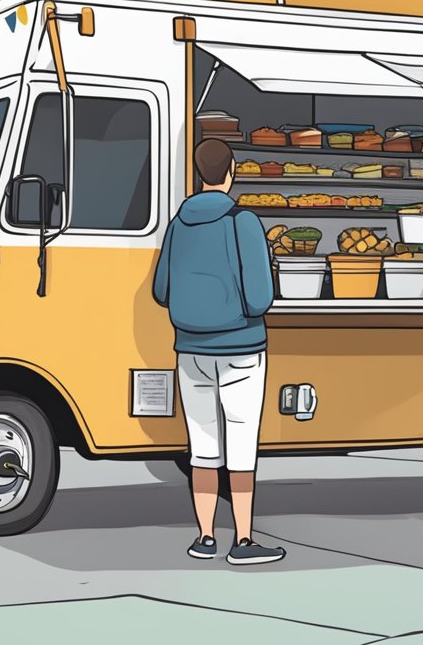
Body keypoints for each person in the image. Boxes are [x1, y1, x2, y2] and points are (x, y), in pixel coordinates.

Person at [152, 139, 285, 566]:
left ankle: (205, 536)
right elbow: (260, 298)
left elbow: (160, 290)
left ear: (198, 173)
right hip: (241, 349)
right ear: (231, 172)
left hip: (189, 349)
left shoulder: (178, 223)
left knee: (203, 445)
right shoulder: (242, 221)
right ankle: (243, 541)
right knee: (242, 443)